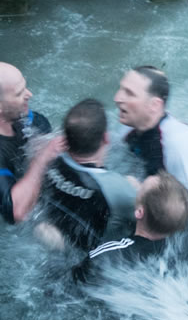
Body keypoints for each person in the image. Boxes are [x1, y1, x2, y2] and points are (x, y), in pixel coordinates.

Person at [0, 61, 63, 224]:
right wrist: (40, 159)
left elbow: (36, 121)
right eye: (19, 93)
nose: (29, 94)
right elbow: (15, 213)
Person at [38, 98, 137, 253]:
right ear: (106, 138)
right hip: (90, 261)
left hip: (52, 242)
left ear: (66, 139)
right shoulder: (116, 188)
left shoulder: (48, 163)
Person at [115, 65, 188, 219]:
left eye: (129, 94)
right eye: (121, 89)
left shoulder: (179, 144)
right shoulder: (129, 125)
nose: (117, 98)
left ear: (154, 105)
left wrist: (141, 194)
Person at [73, 171, 188, 282]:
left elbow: (75, 280)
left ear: (139, 212)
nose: (137, 186)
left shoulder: (109, 255)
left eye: (140, 188)